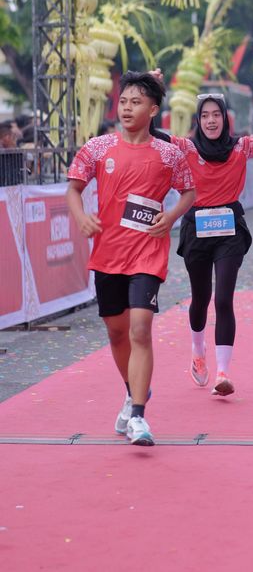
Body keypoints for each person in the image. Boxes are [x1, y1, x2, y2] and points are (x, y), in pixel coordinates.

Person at [66, 72, 196, 446]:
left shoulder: (169, 154)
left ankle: (138, 416)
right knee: (117, 331)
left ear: (153, 110)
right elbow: (73, 189)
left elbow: (189, 192)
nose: (126, 108)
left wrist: (170, 217)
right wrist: (81, 217)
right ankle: (132, 390)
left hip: (148, 252)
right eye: (123, 101)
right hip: (108, 253)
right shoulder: (97, 148)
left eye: (136, 102)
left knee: (140, 328)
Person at [150, 69, 253, 397]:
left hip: (230, 231)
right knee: (201, 299)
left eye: (216, 115)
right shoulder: (185, 147)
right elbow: (152, 132)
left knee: (224, 299)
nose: (211, 121)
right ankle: (198, 352)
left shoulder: (242, 147)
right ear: (198, 120)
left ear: (225, 119)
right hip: (196, 229)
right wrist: (155, 88)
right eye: (205, 116)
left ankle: (223, 373)